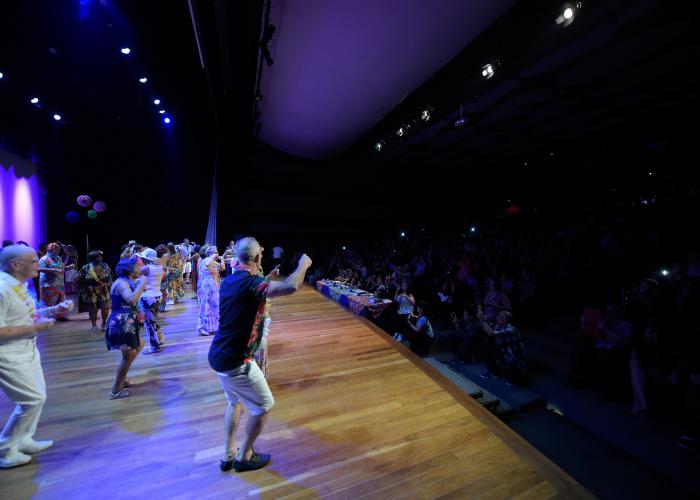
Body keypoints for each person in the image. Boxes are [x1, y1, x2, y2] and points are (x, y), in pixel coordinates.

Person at [209, 237, 312, 472]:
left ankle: (228, 453)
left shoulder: (230, 280)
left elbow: (249, 288)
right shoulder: (252, 284)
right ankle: (244, 457)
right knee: (264, 405)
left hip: (219, 355)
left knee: (234, 402)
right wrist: (303, 264)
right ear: (257, 257)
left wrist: (266, 277)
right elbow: (291, 286)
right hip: (237, 361)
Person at [0, 245, 74, 469]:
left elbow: (26, 315)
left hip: (27, 350)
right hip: (8, 354)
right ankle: (6, 449)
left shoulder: (18, 286)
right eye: (33, 261)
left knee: (38, 396)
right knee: (32, 399)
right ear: (15, 264)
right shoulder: (2, 289)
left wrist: (54, 310)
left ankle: (23, 439)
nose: (38, 264)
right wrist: (36, 328)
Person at [104, 257, 148, 399]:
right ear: (129, 270)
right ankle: (115, 390)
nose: (139, 270)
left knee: (138, 345)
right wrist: (142, 283)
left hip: (125, 321)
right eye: (137, 267)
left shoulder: (125, 281)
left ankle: (122, 378)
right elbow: (131, 299)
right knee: (128, 355)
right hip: (122, 322)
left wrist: (140, 283)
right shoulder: (122, 283)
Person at [136, 248, 165, 354]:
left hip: (148, 298)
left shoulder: (147, 268)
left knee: (149, 324)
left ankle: (154, 347)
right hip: (157, 296)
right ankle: (158, 341)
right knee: (153, 321)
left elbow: (135, 274)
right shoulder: (159, 266)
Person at [76, 250, 113, 332]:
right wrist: (85, 287)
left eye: (100, 256)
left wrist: (109, 284)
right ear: (93, 258)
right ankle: (94, 324)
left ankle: (104, 323)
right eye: (98, 257)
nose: (100, 258)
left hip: (103, 289)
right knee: (93, 309)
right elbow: (78, 279)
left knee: (105, 308)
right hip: (90, 291)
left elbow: (110, 277)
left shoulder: (105, 266)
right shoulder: (86, 267)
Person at [38, 243, 69, 321]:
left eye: (59, 250)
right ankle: (47, 316)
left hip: (59, 283)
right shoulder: (44, 259)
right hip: (48, 284)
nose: (58, 251)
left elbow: (60, 267)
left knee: (60, 300)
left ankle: (60, 315)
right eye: (56, 250)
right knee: (49, 301)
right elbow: (40, 268)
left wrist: (67, 267)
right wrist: (54, 270)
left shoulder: (58, 258)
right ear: (50, 249)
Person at [197, 246, 221, 336]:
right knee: (205, 307)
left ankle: (211, 327)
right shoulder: (206, 261)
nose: (216, 254)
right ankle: (202, 327)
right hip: (206, 286)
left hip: (211, 286)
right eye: (215, 252)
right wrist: (212, 257)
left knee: (213, 306)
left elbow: (221, 268)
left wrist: (221, 259)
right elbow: (208, 266)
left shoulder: (210, 261)